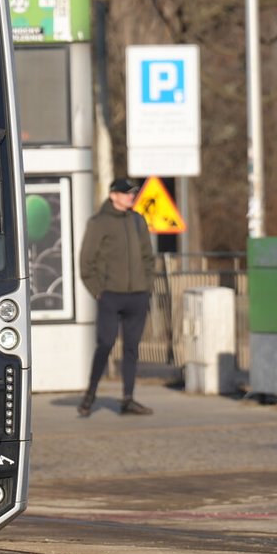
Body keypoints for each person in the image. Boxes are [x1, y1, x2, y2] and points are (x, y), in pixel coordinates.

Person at [76, 176, 156, 417]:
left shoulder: (138, 220)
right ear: (113, 195)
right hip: (110, 296)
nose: (131, 196)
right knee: (106, 343)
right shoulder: (98, 222)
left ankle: (128, 399)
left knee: (132, 348)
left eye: (132, 193)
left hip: (137, 296)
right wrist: (98, 291)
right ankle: (90, 395)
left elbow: (148, 257)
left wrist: (147, 287)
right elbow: (86, 262)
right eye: (126, 193)